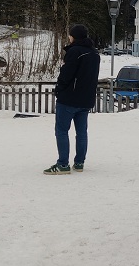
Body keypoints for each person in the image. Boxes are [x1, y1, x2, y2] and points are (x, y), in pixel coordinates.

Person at [43, 24, 101, 175]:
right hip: (86, 100)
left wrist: (59, 89)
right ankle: (79, 162)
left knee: (61, 130)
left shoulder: (74, 52)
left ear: (73, 36)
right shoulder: (94, 54)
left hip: (69, 99)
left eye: (70, 35)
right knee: (82, 132)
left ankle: (63, 164)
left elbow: (66, 74)